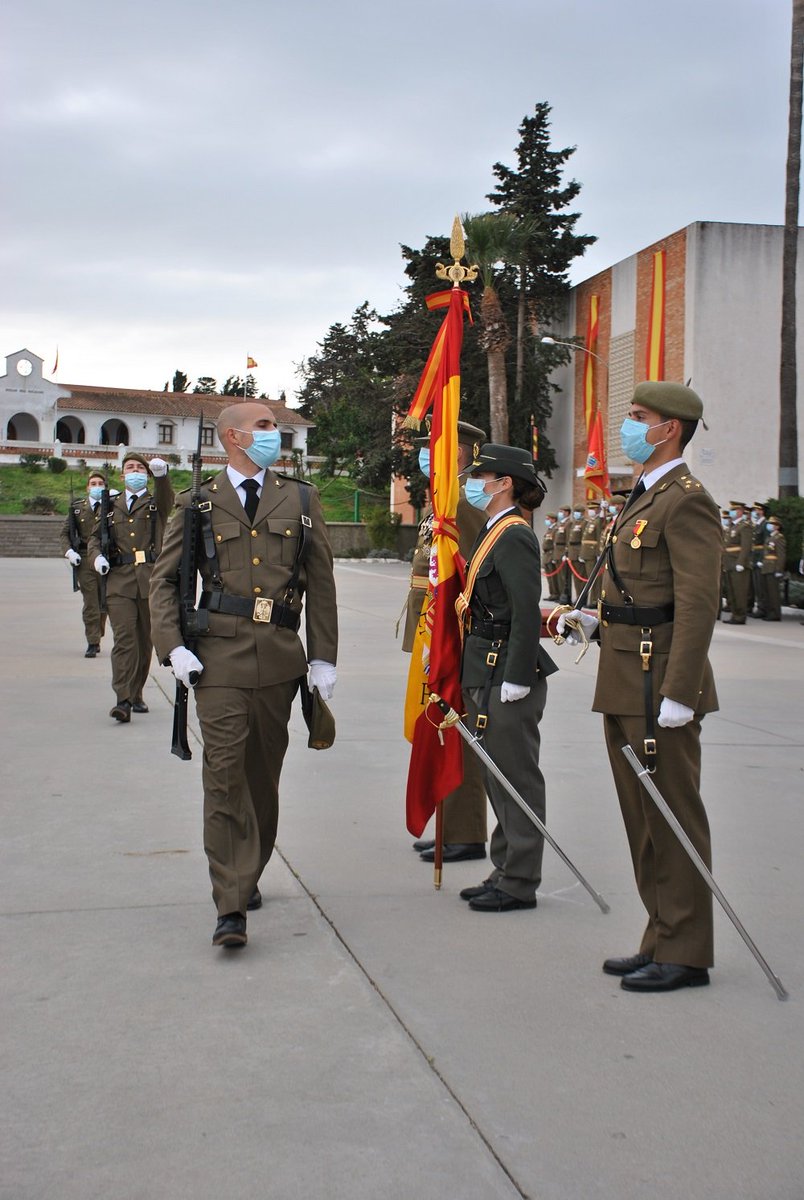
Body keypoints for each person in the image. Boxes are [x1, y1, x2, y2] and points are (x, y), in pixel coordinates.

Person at [149, 401, 338, 949]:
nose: (274, 433)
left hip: (279, 658)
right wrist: (173, 648)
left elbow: (321, 581)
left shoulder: (300, 499)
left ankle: (248, 867)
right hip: (218, 660)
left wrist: (323, 656)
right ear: (233, 436)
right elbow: (166, 582)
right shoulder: (197, 501)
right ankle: (230, 903)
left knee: (261, 777)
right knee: (225, 774)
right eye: (264, 426)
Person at [559, 381, 720, 992]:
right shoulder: (644, 496)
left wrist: (682, 691)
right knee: (642, 818)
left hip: (660, 682)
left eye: (637, 416)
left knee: (672, 816)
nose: (627, 426)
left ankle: (687, 951)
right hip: (626, 673)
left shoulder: (687, 502)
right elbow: (641, 594)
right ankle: (660, 936)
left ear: (669, 429)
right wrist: (597, 622)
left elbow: (697, 605)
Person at [455, 443, 557, 913]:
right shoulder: (492, 530)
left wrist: (517, 675)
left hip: (507, 671)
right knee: (496, 776)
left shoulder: (514, 534)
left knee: (516, 777)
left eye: (481, 477)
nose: (474, 485)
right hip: (484, 665)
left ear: (504, 484)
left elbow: (525, 611)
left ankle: (520, 881)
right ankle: (504, 868)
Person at [403, 420, 489, 864]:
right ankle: (447, 825)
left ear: (459, 452)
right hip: (431, 630)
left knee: (458, 730)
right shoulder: (441, 498)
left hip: (452, 635)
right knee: (439, 726)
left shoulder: (463, 502)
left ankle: (466, 832)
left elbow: (467, 572)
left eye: (431, 446)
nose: (425, 456)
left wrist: (448, 633)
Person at [89, 453, 173, 722]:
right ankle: (123, 699)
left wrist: (162, 477)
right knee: (124, 641)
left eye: (140, 468)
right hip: (119, 582)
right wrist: (96, 557)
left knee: (144, 642)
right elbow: (94, 539)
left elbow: (167, 499)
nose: (135, 471)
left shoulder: (155, 504)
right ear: (122, 475)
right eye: (130, 468)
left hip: (149, 581)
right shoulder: (110, 506)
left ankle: (136, 693)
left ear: (146, 475)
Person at [59, 472, 109, 657]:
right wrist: (69, 552)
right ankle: (93, 641)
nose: (97, 486)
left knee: (104, 602)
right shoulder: (77, 508)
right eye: (93, 483)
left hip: (106, 558)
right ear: (88, 487)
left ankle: (98, 633)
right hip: (85, 559)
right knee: (91, 602)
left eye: (100, 483)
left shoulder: (111, 506)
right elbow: (64, 533)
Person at [722, 501, 752, 624]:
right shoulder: (732, 527)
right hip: (729, 562)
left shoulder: (744, 526)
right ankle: (735, 614)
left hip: (738, 563)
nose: (731, 512)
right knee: (731, 591)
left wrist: (741, 562)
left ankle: (740, 616)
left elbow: (746, 546)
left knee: (739, 591)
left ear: (740, 512)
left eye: (734, 510)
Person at [758, 515, 786, 621]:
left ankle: (775, 614)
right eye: (769, 524)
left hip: (773, 567)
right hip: (767, 566)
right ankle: (769, 612)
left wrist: (779, 569)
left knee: (773, 592)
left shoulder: (779, 538)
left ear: (777, 526)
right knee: (767, 591)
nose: (769, 525)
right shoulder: (770, 537)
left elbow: (781, 555)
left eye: (772, 524)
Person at [541, 513, 560, 603]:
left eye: (548, 519)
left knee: (553, 576)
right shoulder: (550, 529)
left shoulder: (556, 529)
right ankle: (552, 593)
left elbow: (555, 543)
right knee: (549, 576)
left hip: (551, 553)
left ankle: (556, 593)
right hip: (546, 554)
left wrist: (554, 556)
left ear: (553, 519)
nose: (547, 521)